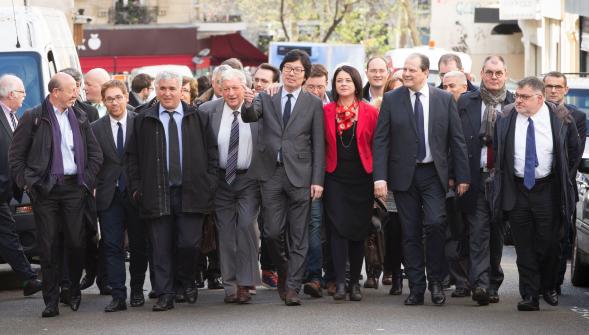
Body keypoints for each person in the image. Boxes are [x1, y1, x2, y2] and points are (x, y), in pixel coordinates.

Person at [373, 53, 470, 306]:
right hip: (403, 176)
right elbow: (381, 140)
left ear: (426, 73)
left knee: (437, 224)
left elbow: (456, 140)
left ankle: (436, 281)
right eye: (404, 69)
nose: (406, 73)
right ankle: (416, 287)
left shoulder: (444, 99)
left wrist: (461, 176)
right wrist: (379, 178)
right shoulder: (393, 99)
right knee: (410, 231)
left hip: (433, 174)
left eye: (411, 70)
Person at [9, 72, 103, 317]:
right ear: (55, 92)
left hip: (74, 189)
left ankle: (71, 290)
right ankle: (50, 300)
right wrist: (29, 184)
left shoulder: (80, 117)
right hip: (45, 190)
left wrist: (86, 182)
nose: (76, 93)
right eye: (72, 89)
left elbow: (95, 155)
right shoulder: (33, 118)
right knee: (48, 246)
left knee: (75, 242)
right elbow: (16, 157)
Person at [126, 71, 217, 312]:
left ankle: (185, 282)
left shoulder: (198, 117)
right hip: (156, 193)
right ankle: (165, 294)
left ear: (181, 90)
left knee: (189, 244)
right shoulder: (142, 119)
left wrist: (209, 184)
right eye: (162, 88)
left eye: (172, 89)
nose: (167, 93)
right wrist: (137, 189)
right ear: (156, 89)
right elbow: (132, 158)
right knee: (160, 248)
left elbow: (212, 154)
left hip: (192, 193)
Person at [242, 49, 325, 306]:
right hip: (271, 173)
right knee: (271, 232)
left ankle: (292, 288)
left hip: (301, 174)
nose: (292, 73)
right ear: (282, 71)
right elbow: (250, 116)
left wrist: (317, 180)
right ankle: (285, 269)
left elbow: (319, 144)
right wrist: (248, 102)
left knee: (299, 234)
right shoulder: (268, 96)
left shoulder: (313, 102)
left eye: (298, 70)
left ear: (304, 75)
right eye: (288, 68)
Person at [494, 77, 578, 311]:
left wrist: (564, 179)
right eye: (517, 95)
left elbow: (573, 151)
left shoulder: (560, 117)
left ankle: (548, 285)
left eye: (524, 97)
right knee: (524, 245)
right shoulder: (505, 117)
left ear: (540, 99)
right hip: (518, 189)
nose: (518, 100)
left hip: (548, 189)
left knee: (549, 243)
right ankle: (529, 295)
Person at [454, 55, 515, 304]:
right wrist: (456, 176)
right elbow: (454, 142)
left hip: (503, 180)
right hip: (475, 177)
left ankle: (493, 282)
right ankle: (479, 283)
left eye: (498, 73)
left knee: (496, 233)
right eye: (489, 72)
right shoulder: (466, 102)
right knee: (478, 230)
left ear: (505, 75)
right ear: (481, 73)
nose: (494, 77)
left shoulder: (514, 103)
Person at [199, 68, 261, 304]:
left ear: (244, 88)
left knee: (246, 226)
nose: (232, 93)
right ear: (220, 90)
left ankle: (247, 283)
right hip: (221, 179)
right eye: (227, 89)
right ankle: (231, 284)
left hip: (249, 178)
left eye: (236, 88)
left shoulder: (257, 107)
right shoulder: (207, 111)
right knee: (225, 232)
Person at [91, 80, 149, 312]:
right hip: (109, 195)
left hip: (136, 193)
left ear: (126, 97)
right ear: (103, 102)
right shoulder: (95, 127)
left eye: (118, 97)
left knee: (138, 245)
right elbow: (93, 161)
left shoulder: (141, 122)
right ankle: (118, 295)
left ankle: (136, 290)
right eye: (109, 99)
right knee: (112, 246)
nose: (114, 102)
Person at [323, 65, 378, 301]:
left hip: (362, 178)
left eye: (347, 80)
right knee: (337, 230)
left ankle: (355, 281)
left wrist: (379, 179)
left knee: (358, 231)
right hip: (334, 177)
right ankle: (340, 282)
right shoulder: (325, 111)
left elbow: (378, 145)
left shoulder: (369, 111)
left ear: (356, 83)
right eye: (339, 81)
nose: (343, 84)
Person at [542, 71, 586, 295]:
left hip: (563, 187)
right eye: (549, 86)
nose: (553, 90)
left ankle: (554, 284)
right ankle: (536, 282)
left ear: (565, 90)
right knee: (536, 238)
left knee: (560, 237)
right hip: (536, 186)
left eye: (558, 87)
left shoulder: (576, 116)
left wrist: (560, 183)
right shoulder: (534, 112)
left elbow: (574, 156)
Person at [0, 74, 42, 298]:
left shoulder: (14, 117)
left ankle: (28, 278)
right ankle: (28, 278)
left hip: (9, 191)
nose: (25, 97)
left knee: (7, 235)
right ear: (11, 94)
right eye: (22, 92)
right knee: (8, 235)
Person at [301, 63, 333, 298]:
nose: (315, 91)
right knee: (312, 224)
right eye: (311, 86)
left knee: (332, 227)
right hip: (307, 175)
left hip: (334, 175)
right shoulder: (299, 105)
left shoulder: (333, 105)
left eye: (319, 86)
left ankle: (333, 275)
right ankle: (314, 276)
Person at [252, 62, 281, 289]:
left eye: (265, 81)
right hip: (246, 174)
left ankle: (271, 268)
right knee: (251, 226)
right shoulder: (246, 100)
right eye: (257, 79)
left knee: (270, 226)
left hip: (272, 173)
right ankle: (252, 274)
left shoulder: (277, 101)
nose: (259, 84)